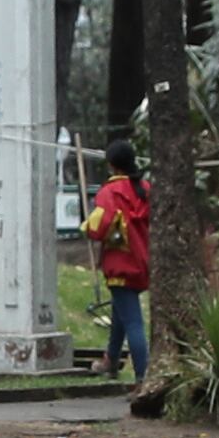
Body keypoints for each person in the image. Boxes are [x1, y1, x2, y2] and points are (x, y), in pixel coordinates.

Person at [86, 159, 155, 382]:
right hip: (142, 262)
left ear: (112, 165)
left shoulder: (110, 192)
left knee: (133, 322)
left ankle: (142, 376)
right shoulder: (145, 189)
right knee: (120, 313)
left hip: (120, 265)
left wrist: (86, 226)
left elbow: (99, 227)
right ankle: (111, 361)